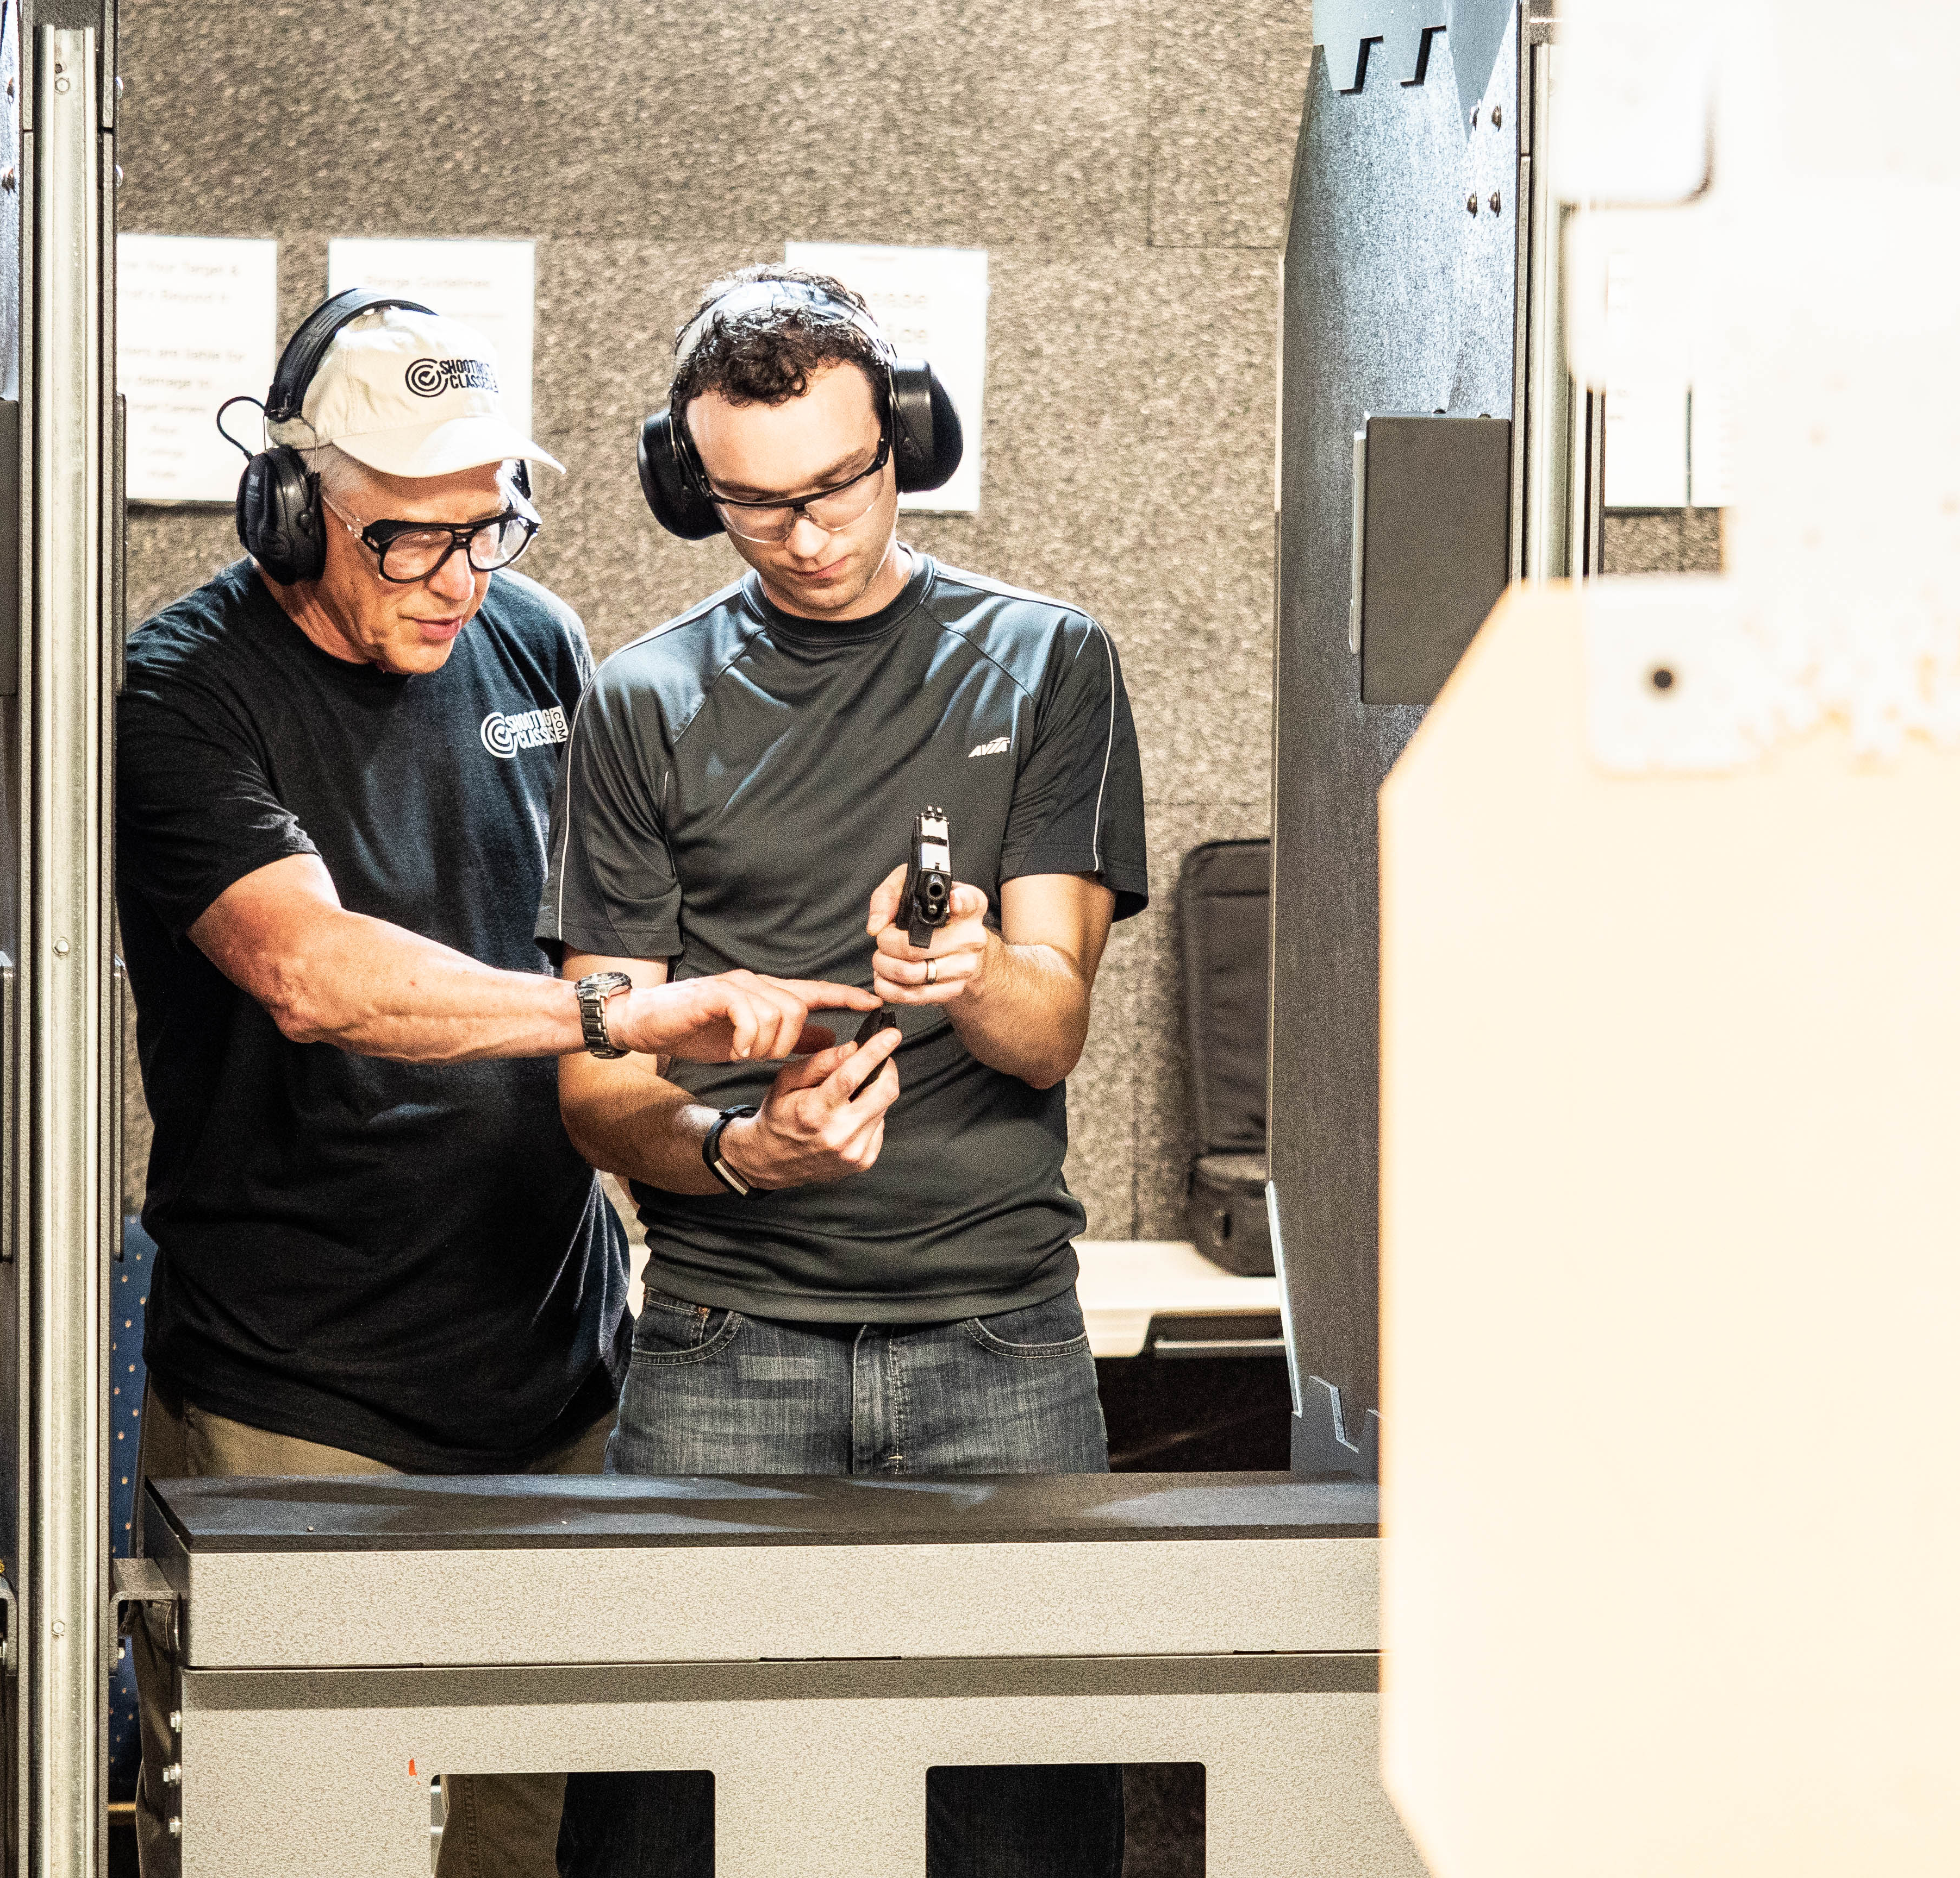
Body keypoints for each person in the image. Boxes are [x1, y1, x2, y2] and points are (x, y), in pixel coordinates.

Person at [115, 292, 872, 1878]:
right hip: (299, 1403)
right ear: (292, 506)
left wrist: (740, 1126)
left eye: (490, 525)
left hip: (556, 1382)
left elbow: (622, 934)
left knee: (522, 1844)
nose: (461, 576)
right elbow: (316, 976)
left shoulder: (529, 638)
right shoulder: (185, 691)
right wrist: (624, 1012)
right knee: (306, 1840)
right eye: (408, 540)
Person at [544, 267, 1149, 1877]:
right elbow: (597, 1085)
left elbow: (1052, 1028)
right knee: (668, 1831)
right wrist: (747, 1153)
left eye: (839, 486)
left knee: (1019, 1835)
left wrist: (976, 973)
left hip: (998, 1339)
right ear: (694, 489)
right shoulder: (640, 703)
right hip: (726, 1344)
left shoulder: (1046, 664)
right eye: (754, 509)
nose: (809, 538)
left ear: (912, 439)